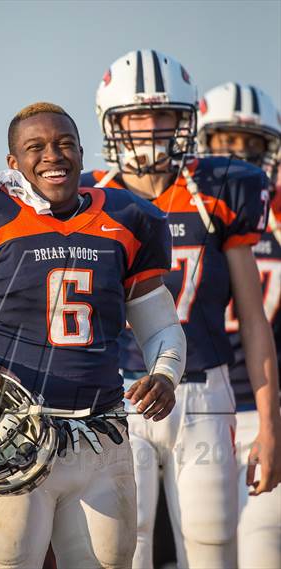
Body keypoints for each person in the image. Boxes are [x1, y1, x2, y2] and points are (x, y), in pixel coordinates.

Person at [0, 102, 187, 569]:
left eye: (63, 144)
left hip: (103, 438)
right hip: (11, 434)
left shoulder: (127, 219)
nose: (52, 156)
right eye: (35, 147)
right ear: (13, 163)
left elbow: (160, 327)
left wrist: (164, 373)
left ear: (81, 152)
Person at [81, 50, 281, 569]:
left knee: (212, 551)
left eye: (163, 115)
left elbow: (256, 320)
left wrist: (270, 424)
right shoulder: (90, 199)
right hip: (120, 395)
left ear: (185, 119)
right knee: (126, 549)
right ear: (112, 122)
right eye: (136, 117)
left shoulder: (218, 189)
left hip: (204, 392)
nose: (150, 128)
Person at [198, 82, 281, 569]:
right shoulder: (180, 212)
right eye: (226, 143)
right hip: (189, 406)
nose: (239, 157)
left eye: (251, 144)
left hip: (258, 405)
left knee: (260, 551)